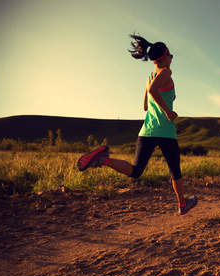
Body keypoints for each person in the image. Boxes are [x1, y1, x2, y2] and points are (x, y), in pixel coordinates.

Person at [77, 33, 197, 215]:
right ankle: (182, 204)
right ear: (164, 57)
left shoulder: (149, 76)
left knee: (135, 171)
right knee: (175, 170)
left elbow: (145, 105)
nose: (171, 59)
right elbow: (153, 90)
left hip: (147, 130)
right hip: (165, 131)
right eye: (170, 56)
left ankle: (104, 159)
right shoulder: (166, 72)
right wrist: (168, 111)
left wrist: (160, 99)